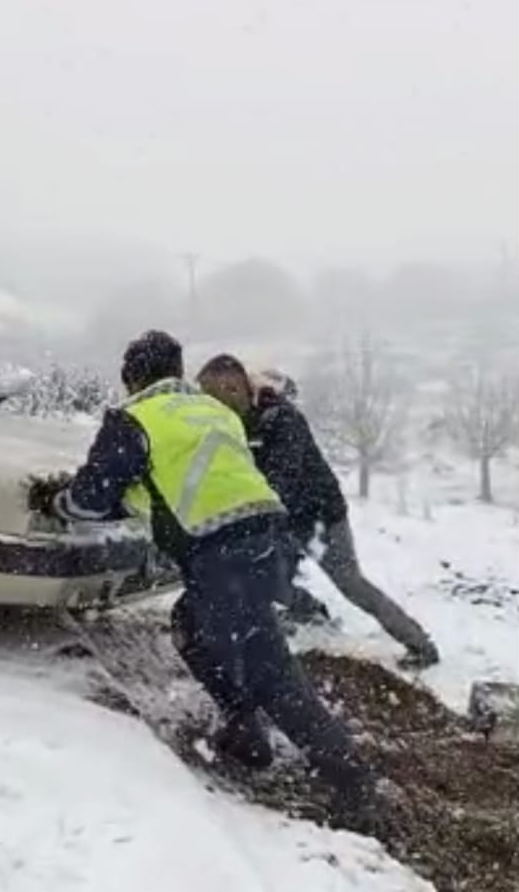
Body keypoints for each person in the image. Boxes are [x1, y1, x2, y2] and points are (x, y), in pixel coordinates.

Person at [28, 331, 383, 830]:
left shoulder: (132, 419)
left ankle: (352, 784)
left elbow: (91, 498)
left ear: (131, 378)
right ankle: (245, 729)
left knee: (270, 671)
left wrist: (57, 501)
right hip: (269, 538)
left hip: (223, 553)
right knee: (192, 627)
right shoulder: (213, 412)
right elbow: (179, 477)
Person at [196, 355, 441, 669]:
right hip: (282, 517)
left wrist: (251, 514)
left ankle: (420, 645)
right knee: (265, 579)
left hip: (320, 516)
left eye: (211, 396)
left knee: (351, 584)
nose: (207, 406)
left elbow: (282, 478)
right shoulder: (233, 424)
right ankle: (310, 611)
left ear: (232, 388)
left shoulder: (281, 418)